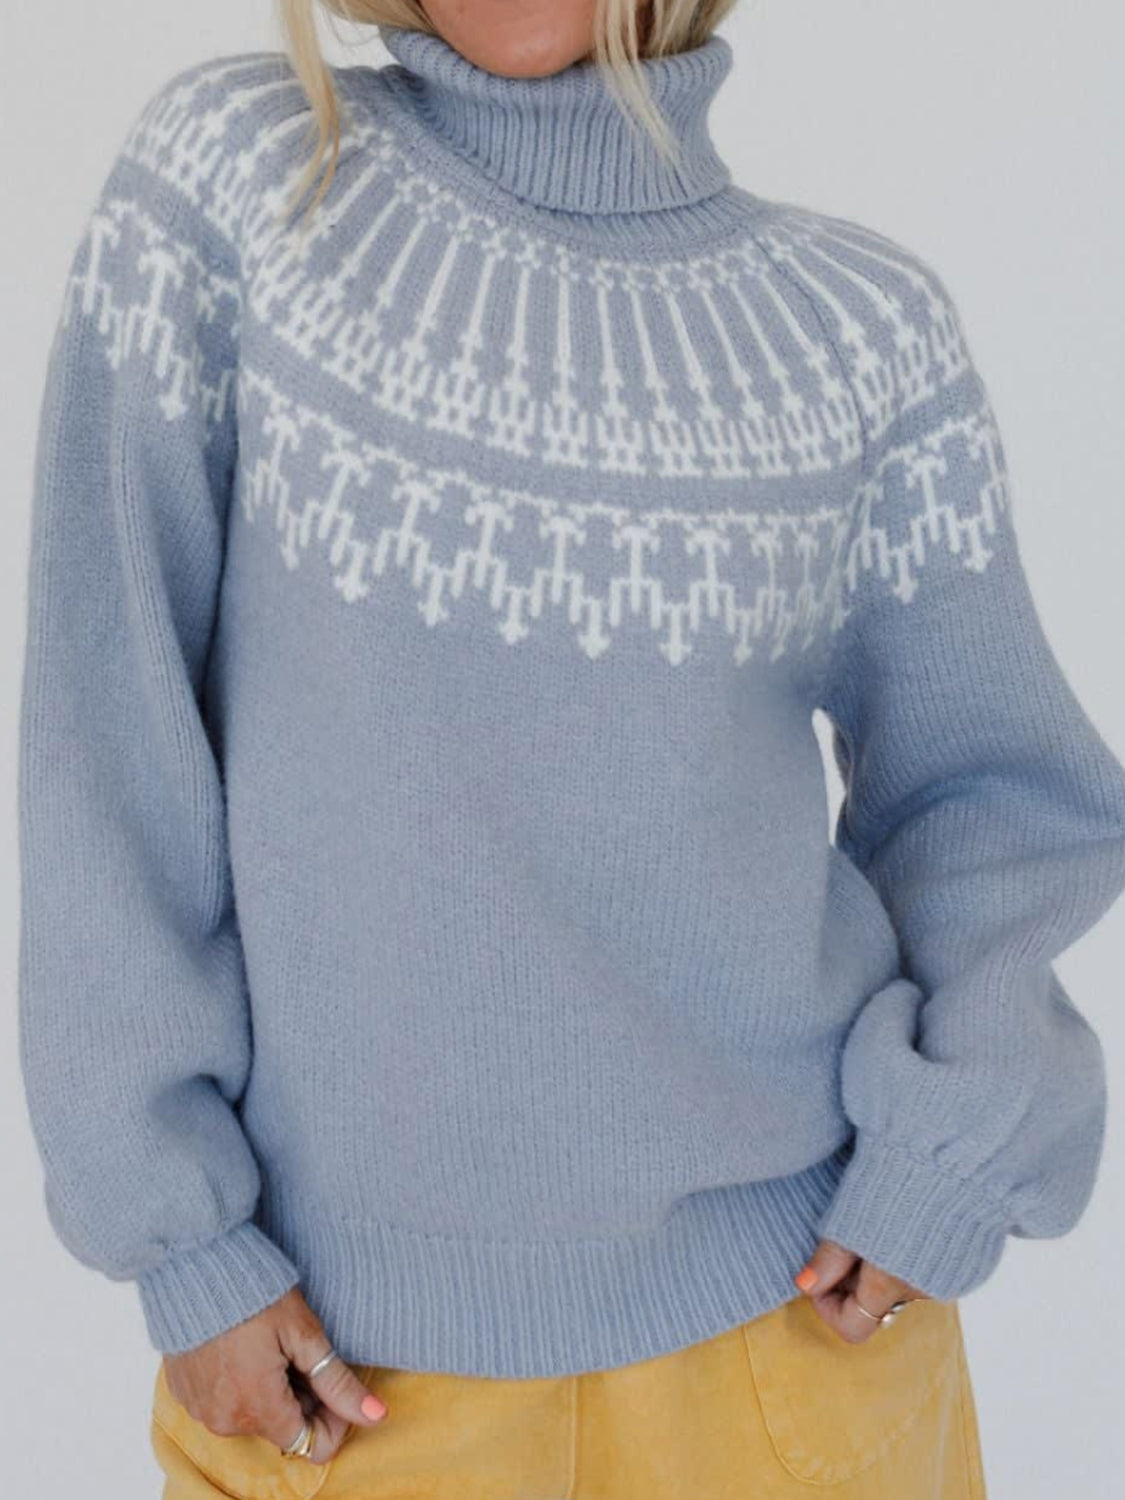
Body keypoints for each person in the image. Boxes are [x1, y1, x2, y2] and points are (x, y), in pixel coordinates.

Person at [18, 0, 1125, 1494]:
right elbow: (109, 744)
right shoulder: (245, 182)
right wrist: (183, 1237)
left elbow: (997, 803)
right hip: (342, 1381)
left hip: (793, 1356)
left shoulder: (856, 332)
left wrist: (950, 1154)